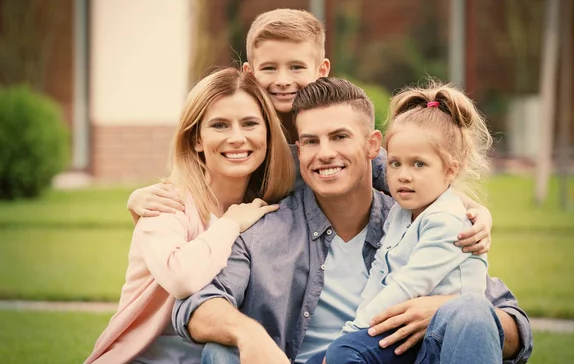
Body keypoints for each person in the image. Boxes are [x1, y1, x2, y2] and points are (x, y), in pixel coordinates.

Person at [172, 78, 533, 364]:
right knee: (220, 353)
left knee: (469, 310)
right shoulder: (263, 229)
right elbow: (193, 308)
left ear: (373, 145)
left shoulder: (417, 221)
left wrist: (442, 310)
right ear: (299, 151)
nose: (325, 153)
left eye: (340, 137)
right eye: (311, 141)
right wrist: (247, 335)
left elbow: (513, 327)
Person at [127, 8, 492, 255]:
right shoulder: (246, 136)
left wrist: (476, 213)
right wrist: (137, 201)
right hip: (256, 252)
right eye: (270, 68)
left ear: (321, 69)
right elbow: (196, 177)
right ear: (250, 72)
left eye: (296, 67)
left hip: (316, 251)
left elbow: (391, 171)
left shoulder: (334, 126)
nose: (283, 81)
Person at [84, 68, 295, 364]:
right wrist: (230, 224)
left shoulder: (268, 208)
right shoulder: (165, 203)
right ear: (196, 139)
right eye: (220, 125)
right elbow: (182, 278)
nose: (237, 138)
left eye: (249, 124)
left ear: (268, 135)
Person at [309, 82, 497, 364]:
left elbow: (408, 286)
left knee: (343, 354)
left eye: (418, 164)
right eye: (396, 163)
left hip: (439, 336)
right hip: (405, 328)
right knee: (331, 356)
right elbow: (380, 271)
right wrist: (353, 331)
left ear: (450, 170)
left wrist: (355, 332)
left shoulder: (447, 222)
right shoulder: (400, 212)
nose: (404, 175)